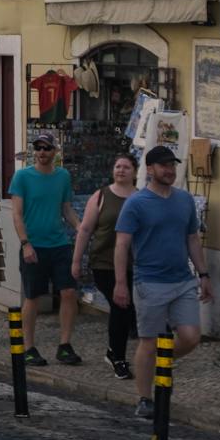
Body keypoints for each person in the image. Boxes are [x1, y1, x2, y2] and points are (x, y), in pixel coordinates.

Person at [116, 145, 212, 421]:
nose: (170, 170)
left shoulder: (184, 200)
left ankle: (162, 360)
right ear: (150, 169)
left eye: (172, 165)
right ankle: (144, 398)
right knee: (149, 341)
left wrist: (204, 274)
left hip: (182, 280)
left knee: (191, 337)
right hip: (149, 282)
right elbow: (122, 245)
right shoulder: (136, 203)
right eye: (164, 165)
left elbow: (192, 239)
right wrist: (121, 283)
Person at [9, 132, 83, 367]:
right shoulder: (22, 177)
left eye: (47, 148)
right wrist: (25, 243)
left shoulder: (63, 176)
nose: (42, 152)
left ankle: (65, 345)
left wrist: (80, 227)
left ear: (55, 151)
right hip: (34, 245)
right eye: (38, 148)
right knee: (33, 297)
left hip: (59, 244)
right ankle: (28, 347)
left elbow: (66, 208)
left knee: (68, 292)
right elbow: (17, 214)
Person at [70, 152, 138, 380]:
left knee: (128, 309)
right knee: (121, 305)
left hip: (133, 264)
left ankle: (117, 351)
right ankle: (117, 357)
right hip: (104, 263)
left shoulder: (141, 197)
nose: (121, 170)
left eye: (126, 167)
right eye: (118, 166)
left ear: (134, 172)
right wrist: (76, 261)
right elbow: (85, 229)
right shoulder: (101, 196)